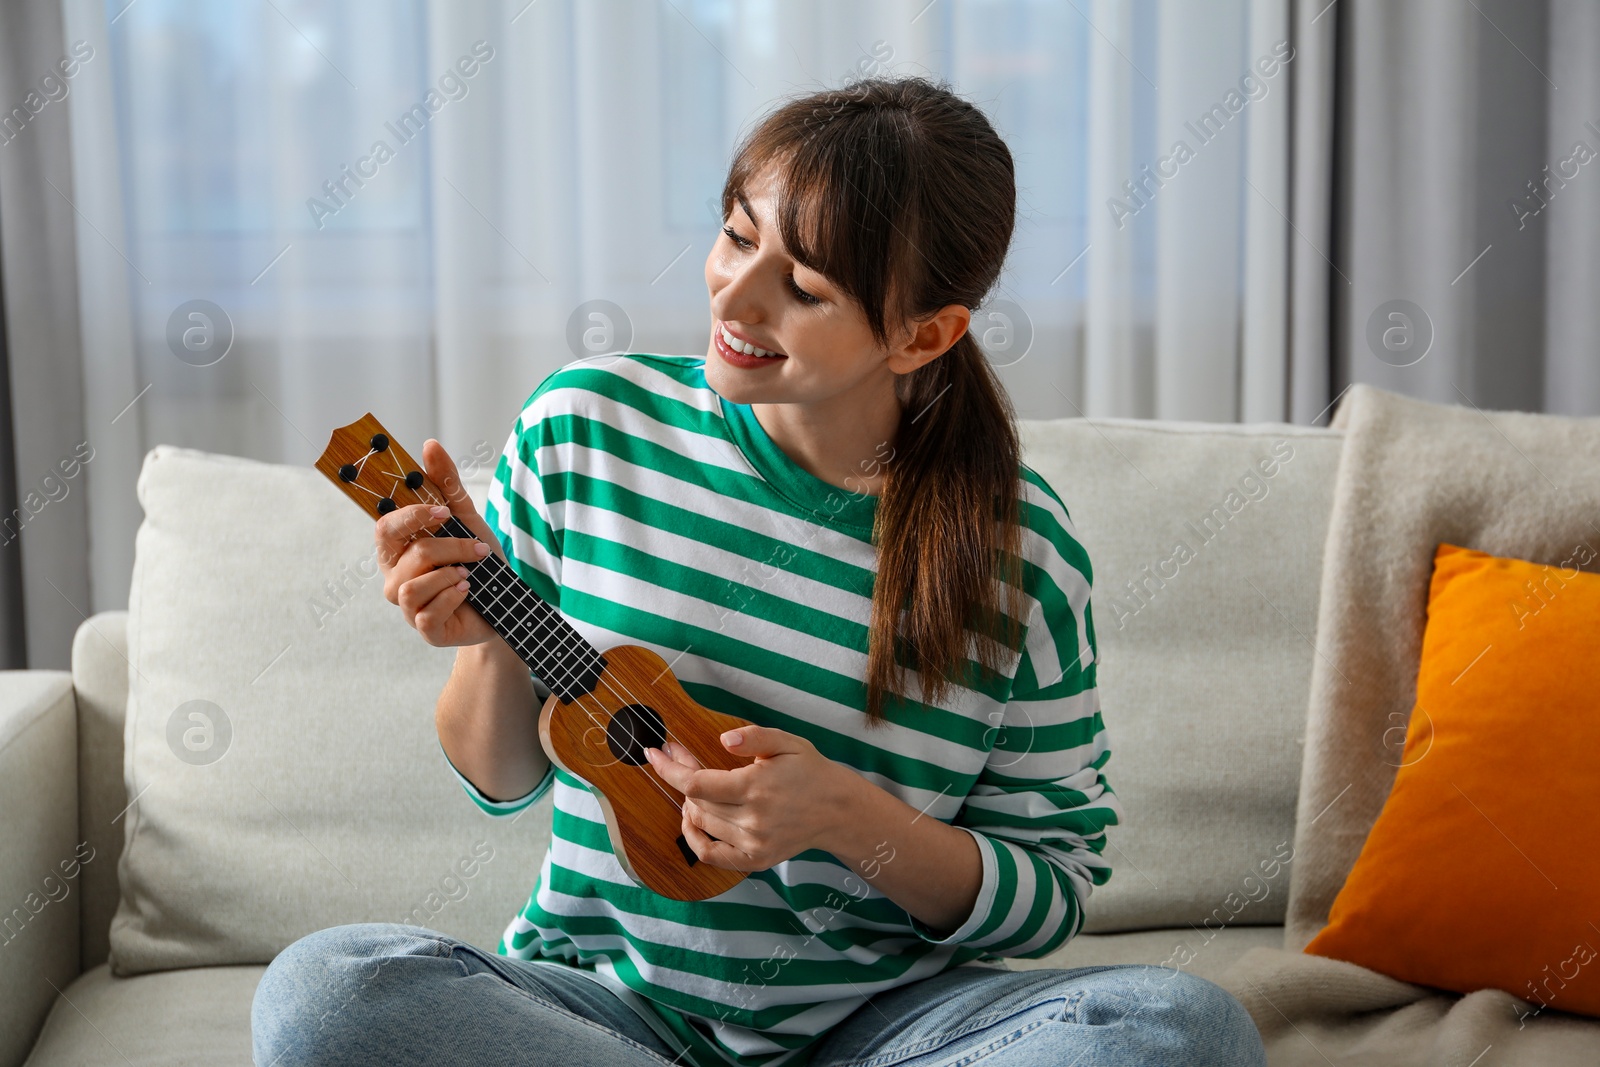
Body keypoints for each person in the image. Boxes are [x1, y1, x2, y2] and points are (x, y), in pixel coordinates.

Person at [252, 74, 1266, 1067]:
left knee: (1182, 1030)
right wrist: (486, 642)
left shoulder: (1022, 555)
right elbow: (501, 777)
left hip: (891, 1026)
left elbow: (1049, 891)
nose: (735, 295)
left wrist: (844, 814)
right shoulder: (587, 428)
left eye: (805, 286)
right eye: (738, 236)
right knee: (327, 993)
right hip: (606, 1011)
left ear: (924, 334)